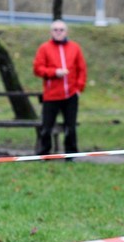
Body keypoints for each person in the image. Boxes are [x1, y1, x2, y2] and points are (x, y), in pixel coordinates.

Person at [33, 20, 87, 156]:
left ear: (66, 32)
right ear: (51, 32)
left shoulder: (75, 48)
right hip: (51, 95)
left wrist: (79, 88)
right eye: (55, 30)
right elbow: (38, 69)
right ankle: (45, 153)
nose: (58, 32)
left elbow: (82, 69)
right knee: (46, 128)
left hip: (70, 94)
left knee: (71, 127)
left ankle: (71, 154)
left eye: (61, 30)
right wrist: (54, 72)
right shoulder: (44, 48)